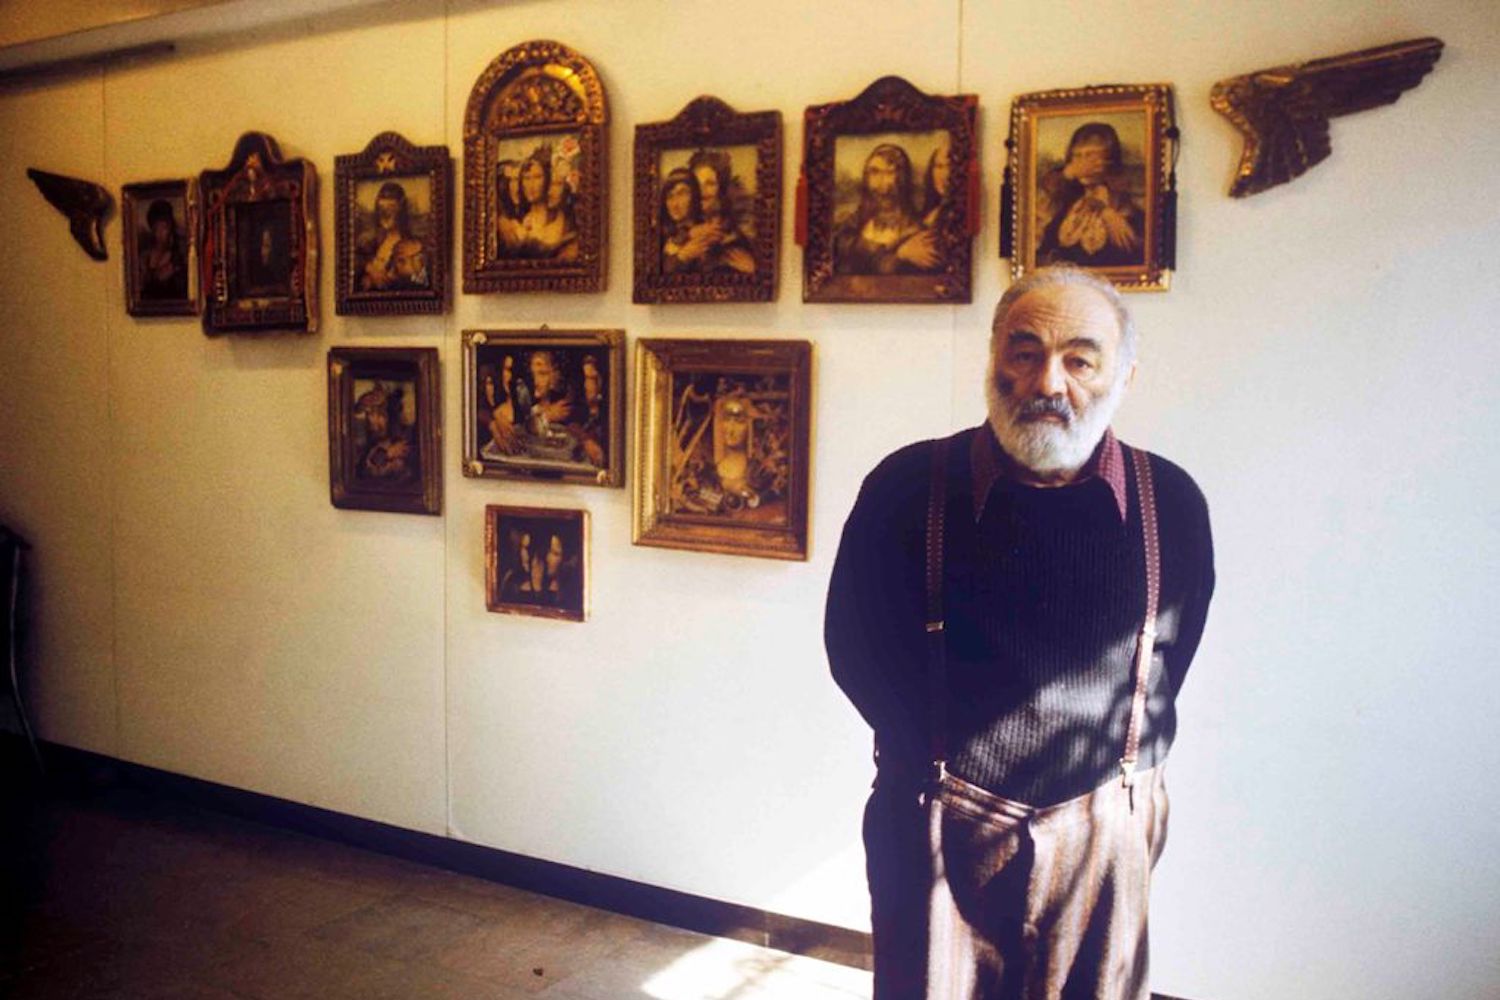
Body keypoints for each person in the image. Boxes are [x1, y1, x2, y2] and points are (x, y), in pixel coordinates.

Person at [825, 264, 1214, 999]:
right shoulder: (907, 487)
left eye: (1080, 359)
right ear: (994, 359)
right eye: (1025, 352)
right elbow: (856, 650)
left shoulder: (1173, 503)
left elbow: (1173, 655)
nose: (1049, 382)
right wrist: (948, 769)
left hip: (1108, 827)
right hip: (938, 818)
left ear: (1123, 376)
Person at [1035, 123, 1146, 268]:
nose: (1083, 164)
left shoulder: (1127, 210)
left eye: (1091, 156)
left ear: (1109, 160)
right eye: (1077, 156)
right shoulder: (1065, 205)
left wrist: (1106, 212)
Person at [832, 144, 939, 275]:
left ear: (902, 182)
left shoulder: (918, 233)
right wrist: (898, 255)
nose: (883, 185)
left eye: (890, 172)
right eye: (875, 172)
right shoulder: (851, 225)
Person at [497, 150, 578, 261]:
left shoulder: (563, 221)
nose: (531, 185)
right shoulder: (514, 224)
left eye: (538, 177)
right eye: (526, 178)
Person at [356, 181, 424, 291]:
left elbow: (414, 283)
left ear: (401, 211)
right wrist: (369, 269)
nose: (385, 214)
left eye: (391, 207)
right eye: (381, 208)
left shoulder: (411, 247)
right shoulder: (373, 243)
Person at [353, 384, 415, 483]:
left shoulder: (403, 439)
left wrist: (388, 454)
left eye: (380, 414)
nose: (372, 420)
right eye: (369, 414)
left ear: (391, 417)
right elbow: (364, 470)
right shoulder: (368, 442)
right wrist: (387, 454)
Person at [139, 199, 187, 300]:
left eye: (164, 228)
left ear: (170, 229)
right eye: (157, 228)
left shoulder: (177, 257)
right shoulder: (145, 257)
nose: (161, 233)